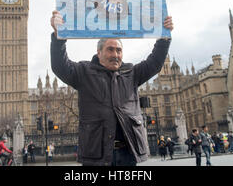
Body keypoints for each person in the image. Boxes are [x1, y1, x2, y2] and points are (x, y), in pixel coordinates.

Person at [50, 10, 173, 166]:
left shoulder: (132, 73)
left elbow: (155, 62)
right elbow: (60, 66)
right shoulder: (84, 72)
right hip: (97, 154)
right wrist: (58, 36)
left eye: (119, 50)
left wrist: (164, 37)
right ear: (99, 52)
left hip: (128, 153)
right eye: (110, 49)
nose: (115, 54)